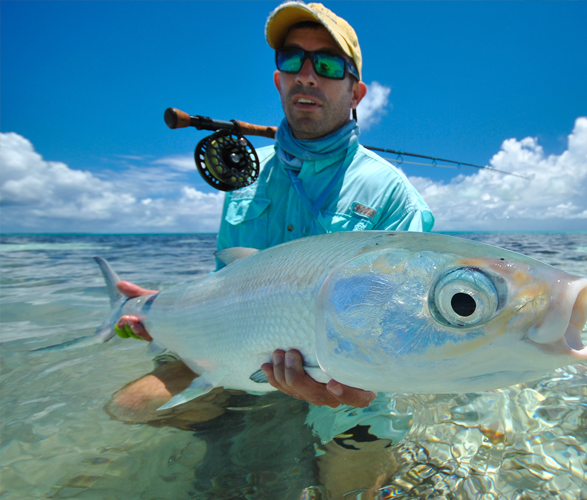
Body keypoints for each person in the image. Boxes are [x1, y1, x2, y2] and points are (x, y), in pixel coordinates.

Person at [111, 1, 433, 419]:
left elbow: (402, 325)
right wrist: (163, 311)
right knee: (128, 409)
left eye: (329, 65)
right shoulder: (246, 175)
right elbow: (226, 284)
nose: (307, 75)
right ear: (279, 81)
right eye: (293, 59)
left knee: (352, 481)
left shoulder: (394, 195)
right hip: (235, 357)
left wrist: (360, 384)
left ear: (356, 92)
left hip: (343, 382)